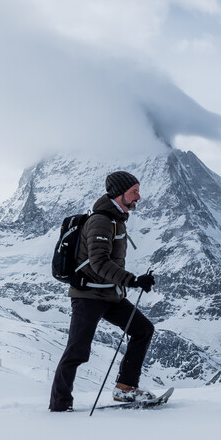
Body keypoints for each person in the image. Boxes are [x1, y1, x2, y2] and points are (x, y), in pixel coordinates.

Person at [49, 170, 158, 412]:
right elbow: (99, 263)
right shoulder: (101, 220)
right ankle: (59, 405)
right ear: (119, 194)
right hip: (88, 296)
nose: (138, 197)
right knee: (77, 350)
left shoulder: (116, 219)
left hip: (109, 295)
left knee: (142, 330)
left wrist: (133, 281)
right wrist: (132, 280)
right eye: (134, 192)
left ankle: (125, 388)